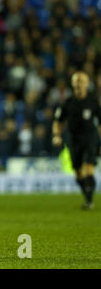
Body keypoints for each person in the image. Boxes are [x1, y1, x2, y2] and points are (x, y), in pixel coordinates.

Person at [52, 71, 101, 210]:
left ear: (87, 83)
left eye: (82, 81)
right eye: (77, 81)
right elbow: (58, 121)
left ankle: (89, 202)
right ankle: (87, 197)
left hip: (90, 138)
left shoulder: (93, 101)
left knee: (88, 168)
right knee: (78, 173)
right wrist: (56, 135)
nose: (79, 83)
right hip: (73, 139)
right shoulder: (68, 102)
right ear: (73, 83)